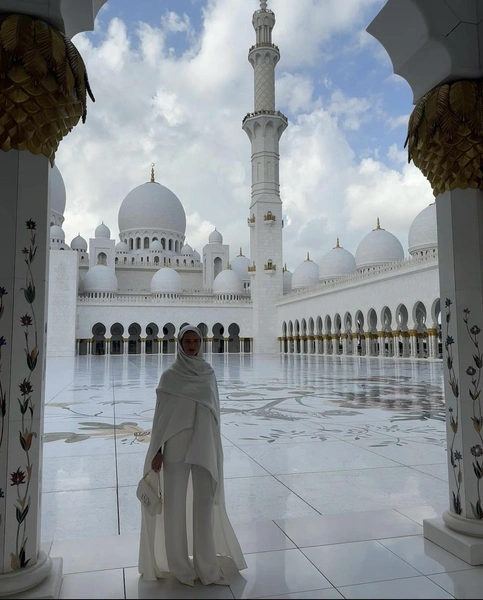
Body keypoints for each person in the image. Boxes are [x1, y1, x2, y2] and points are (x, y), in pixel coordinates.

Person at [138, 325, 247, 586]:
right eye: (186, 340)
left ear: (200, 343)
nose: (190, 345)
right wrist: (157, 451)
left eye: (194, 340)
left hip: (204, 445)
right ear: (179, 343)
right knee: (174, 506)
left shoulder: (208, 374)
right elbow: (161, 418)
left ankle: (207, 567)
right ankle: (180, 568)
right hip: (175, 445)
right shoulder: (170, 376)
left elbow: (215, 414)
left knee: (204, 506)